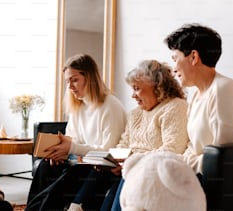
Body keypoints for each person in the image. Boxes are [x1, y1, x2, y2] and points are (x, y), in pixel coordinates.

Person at [109, 23, 233, 210]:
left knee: (142, 174)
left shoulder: (224, 90)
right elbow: (191, 147)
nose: (173, 69)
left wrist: (177, 163)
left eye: (175, 59)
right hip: (196, 174)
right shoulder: (197, 95)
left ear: (194, 57)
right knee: (138, 173)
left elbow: (224, 159)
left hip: (215, 182)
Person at [67, 59, 189, 211]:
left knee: (121, 179)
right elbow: (123, 145)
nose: (133, 96)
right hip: (128, 170)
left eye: (137, 89)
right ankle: (75, 206)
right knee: (96, 170)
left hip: (153, 172)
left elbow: (172, 149)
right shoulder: (135, 114)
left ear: (157, 86)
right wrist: (115, 161)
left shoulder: (175, 107)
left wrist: (130, 162)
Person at [26, 54, 127, 211]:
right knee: (45, 167)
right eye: (68, 81)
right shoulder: (78, 107)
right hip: (81, 162)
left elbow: (109, 153)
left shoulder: (110, 106)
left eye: (74, 80)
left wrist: (71, 148)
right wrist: (60, 153)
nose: (70, 86)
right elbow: (73, 140)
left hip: (101, 167)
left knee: (68, 178)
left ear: (90, 77)